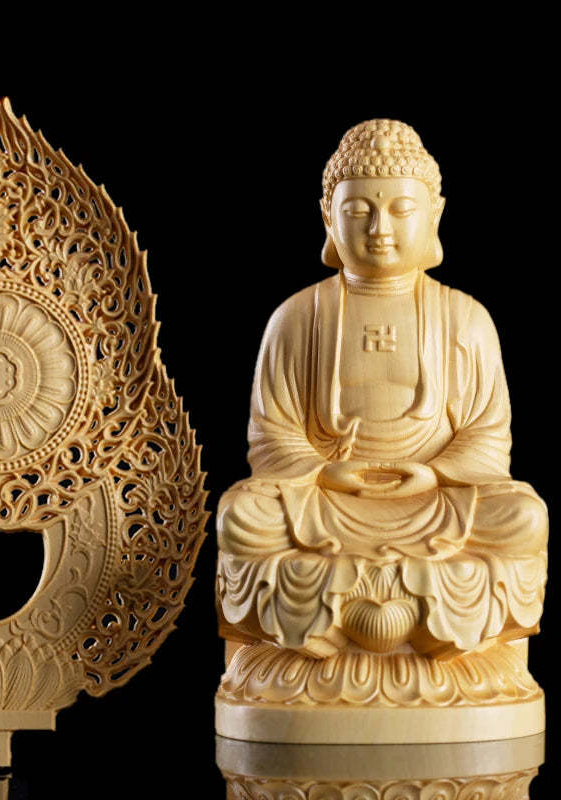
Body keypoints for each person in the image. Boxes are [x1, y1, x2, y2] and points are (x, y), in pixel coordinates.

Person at [217, 120, 548, 658]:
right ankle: (398, 635)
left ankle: (336, 634)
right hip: (328, 503)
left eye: (400, 209)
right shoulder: (297, 317)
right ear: (328, 216)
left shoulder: (465, 318)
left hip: (432, 504)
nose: (379, 228)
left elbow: (489, 436)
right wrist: (325, 472)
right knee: (241, 516)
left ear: (434, 214)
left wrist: (433, 473)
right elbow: (271, 435)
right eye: (357, 211)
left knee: (523, 518)